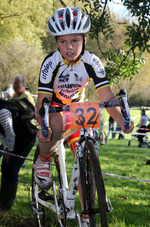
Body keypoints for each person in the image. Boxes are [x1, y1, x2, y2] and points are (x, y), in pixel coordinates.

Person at [34, 6, 134, 226]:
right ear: (56, 42)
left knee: (86, 158)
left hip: (77, 108)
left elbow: (106, 97)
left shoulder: (92, 61)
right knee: (55, 125)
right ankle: (43, 158)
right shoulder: (51, 62)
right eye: (63, 41)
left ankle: (88, 215)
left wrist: (122, 122)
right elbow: (42, 100)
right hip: (53, 107)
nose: (69, 47)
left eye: (75, 41)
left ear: (85, 39)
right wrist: (44, 125)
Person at [0, 76, 37, 211]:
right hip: (15, 138)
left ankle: (6, 206)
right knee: (4, 168)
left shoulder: (3, 112)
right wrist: (6, 150)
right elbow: (1, 133)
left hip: (26, 138)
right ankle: (2, 201)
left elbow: (10, 133)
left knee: (12, 170)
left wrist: (10, 150)